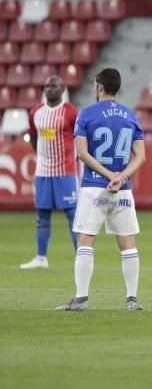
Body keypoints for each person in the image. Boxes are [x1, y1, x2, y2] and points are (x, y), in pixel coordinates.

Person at [57, 68, 146, 311]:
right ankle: (132, 299)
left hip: (95, 187)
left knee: (85, 240)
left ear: (98, 86)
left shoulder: (86, 114)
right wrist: (121, 176)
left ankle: (81, 299)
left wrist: (108, 175)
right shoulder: (130, 116)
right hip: (123, 190)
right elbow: (141, 156)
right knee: (128, 242)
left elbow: (82, 153)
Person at [20, 76, 79, 270]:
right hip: (43, 171)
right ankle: (41, 258)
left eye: (54, 86)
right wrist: (43, 157)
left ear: (62, 89)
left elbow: (80, 139)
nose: (49, 89)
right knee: (42, 214)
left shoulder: (71, 113)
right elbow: (34, 138)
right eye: (47, 86)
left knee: (72, 215)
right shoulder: (36, 113)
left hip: (66, 171)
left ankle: (81, 256)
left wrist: (75, 157)